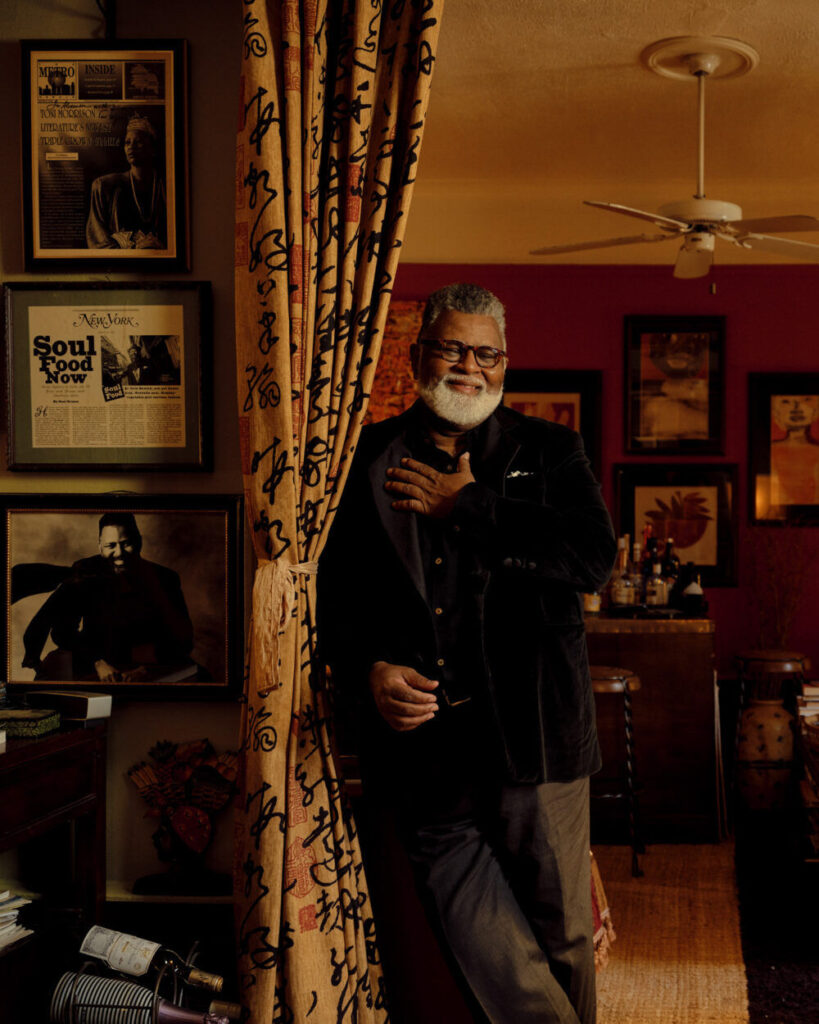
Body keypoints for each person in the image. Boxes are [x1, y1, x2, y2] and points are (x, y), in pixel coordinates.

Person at [319, 283, 616, 1024]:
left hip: (536, 738)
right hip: (421, 750)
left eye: (486, 354)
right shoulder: (362, 457)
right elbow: (330, 598)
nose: (469, 367)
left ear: (504, 363)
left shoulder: (550, 450)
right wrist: (369, 668)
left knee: (562, 936)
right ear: (417, 355)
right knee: (479, 938)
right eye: (452, 349)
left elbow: (591, 559)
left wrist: (469, 506)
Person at [22, 512, 196, 683]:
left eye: (126, 543)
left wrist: (146, 670)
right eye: (110, 546)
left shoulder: (165, 578)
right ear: (100, 546)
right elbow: (62, 632)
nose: (119, 553)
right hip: (92, 663)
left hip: (151, 665)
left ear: (139, 541)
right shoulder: (84, 571)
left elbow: (184, 638)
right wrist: (97, 662)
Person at [86, 113, 167, 249]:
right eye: (127, 142)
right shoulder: (104, 186)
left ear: (152, 148)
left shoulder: (165, 185)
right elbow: (98, 240)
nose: (131, 147)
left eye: (138, 142)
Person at [769, 393, 819, 506]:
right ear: (776, 413)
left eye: (806, 400)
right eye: (786, 402)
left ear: (815, 411)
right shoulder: (772, 451)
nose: (796, 407)